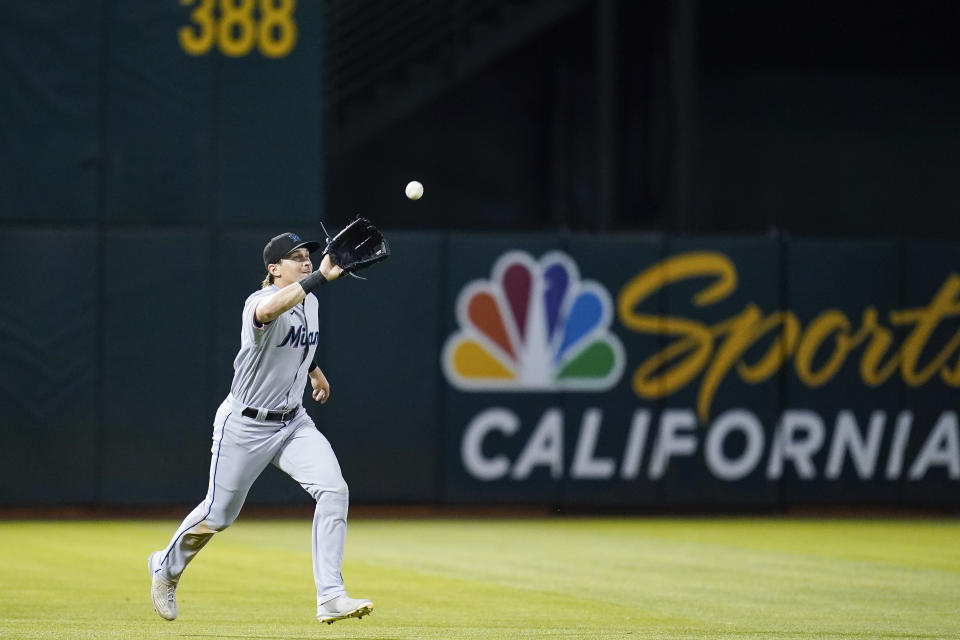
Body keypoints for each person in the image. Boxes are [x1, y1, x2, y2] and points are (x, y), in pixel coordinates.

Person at [148, 232, 373, 625]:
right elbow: (270, 315)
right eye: (297, 257)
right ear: (273, 269)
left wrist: (316, 374)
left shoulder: (311, 302)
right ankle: (165, 568)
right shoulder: (258, 301)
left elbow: (298, 344)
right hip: (245, 425)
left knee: (335, 490)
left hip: (293, 422)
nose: (307, 261)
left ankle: (331, 597)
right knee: (218, 516)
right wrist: (317, 277)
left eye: (309, 256)